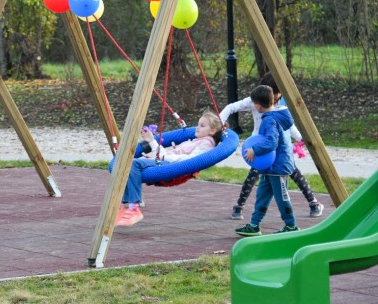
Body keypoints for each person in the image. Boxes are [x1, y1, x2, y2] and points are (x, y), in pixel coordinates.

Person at [220, 72, 324, 221]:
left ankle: (313, 203)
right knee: (254, 174)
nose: (274, 97)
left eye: (277, 93)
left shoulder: (280, 105)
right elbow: (231, 107)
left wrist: (301, 138)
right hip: (261, 146)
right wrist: (220, 122)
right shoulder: (256, 101)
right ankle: (239, 207)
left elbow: (289, 126)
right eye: (273, 93)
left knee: (292, 170)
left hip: (279, 147)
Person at [116, 111, 223, 227]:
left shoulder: (206, 144)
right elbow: (164, 154)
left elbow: (190, 160)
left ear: (212, 131)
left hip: (171, 166)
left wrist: (164, 156)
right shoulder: (196, 141)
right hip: (166, 161)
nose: (197, 128)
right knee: (126, 165)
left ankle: (133, 208)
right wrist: (151, 140)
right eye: (198, 124)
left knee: (133, 164)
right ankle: (125, 204)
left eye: (202, 126)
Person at [235, 85, 299, 236]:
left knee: (281, 197)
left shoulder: (269, 120)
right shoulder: (277, 114)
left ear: (257, 105)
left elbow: (271, 142)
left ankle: (291, 225)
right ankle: (254, 225)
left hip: (278, 166)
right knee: (262, 195)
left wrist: (254, 151)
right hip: (269, 167)